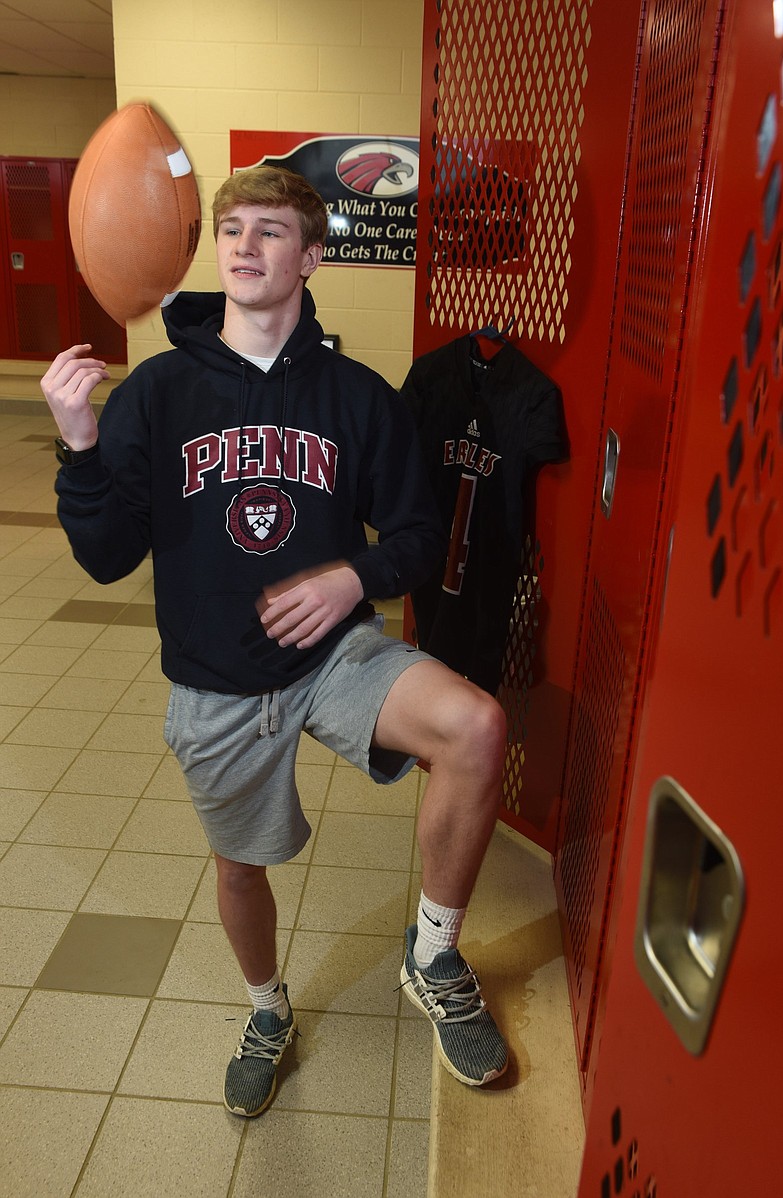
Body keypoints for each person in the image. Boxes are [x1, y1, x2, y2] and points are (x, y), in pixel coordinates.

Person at [40, 165, 509, 1118]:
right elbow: (104, 558)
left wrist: (351, 577)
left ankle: (434, 954)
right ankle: (266, 1011)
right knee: (239, 866)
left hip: (336, 654)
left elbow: (418, 538)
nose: (246, 248)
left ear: (312, 254)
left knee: (478, 728)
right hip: (215, 677)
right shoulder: (158, 395)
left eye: (270, 231)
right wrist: (80, 445)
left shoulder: (358, 397)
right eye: (233, 232)